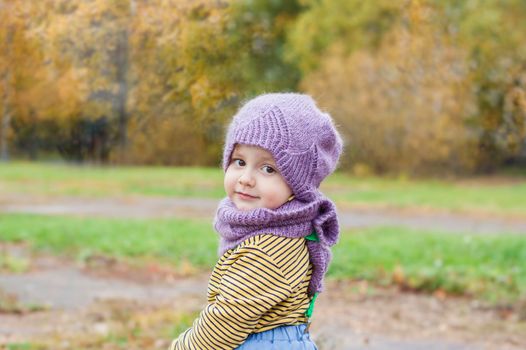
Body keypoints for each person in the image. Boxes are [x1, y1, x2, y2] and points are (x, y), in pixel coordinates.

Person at [170, 93, 343, 350]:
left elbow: (222, 326)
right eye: (239, 162)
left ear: (299, 185)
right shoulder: (280, 230)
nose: (246, 178)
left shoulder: (268, 249)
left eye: (268, 169)